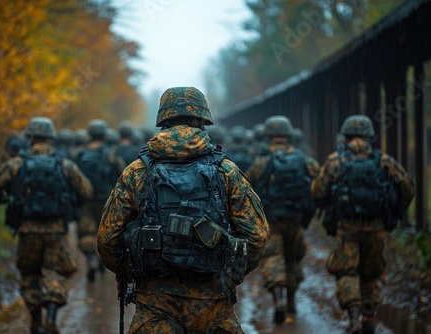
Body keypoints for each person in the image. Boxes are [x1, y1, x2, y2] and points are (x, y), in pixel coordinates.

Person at [97, 86, 270, 333]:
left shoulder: (137, 171)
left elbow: (107, 238)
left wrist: (130, 272)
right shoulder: (226, 170)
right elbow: (258, 236)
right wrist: (229, 274)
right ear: (202, 119)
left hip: (154, 300)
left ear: (163, 120)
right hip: (212, 301)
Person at [311, 115, 415, 334]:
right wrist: (396, 211)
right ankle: (369, 317)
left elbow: (317, 192)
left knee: (346, 271)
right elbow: (407, 186)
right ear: (369, 136)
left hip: (347, 227)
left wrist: (328, 204)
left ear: (346, 135)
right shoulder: (383, 160)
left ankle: (353, 316)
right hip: (376, 226)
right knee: (371, 274)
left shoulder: (336, 161)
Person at [0, 117, 93, 334]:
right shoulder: (64, 164)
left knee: (30, 275)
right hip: (56, 231)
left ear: (30, 137)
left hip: (26, 231)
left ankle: (35, 322)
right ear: (51, 138)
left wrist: (9, 199)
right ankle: (51, 317)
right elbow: (86, 190)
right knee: (57, 271)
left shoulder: (16, 163)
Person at [246, 115, 319, 324]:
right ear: (287, 134)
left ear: (268, 135)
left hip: (271, 220)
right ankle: (292, 301)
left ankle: (278, 301)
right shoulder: (303, 158)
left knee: (272, 258)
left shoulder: (262, 161)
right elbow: (320, 180)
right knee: (292, 259)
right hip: (295, 219)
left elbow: (246, 187)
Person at [74, 119, 125, 282]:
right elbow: (124, 175)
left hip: (86, 201)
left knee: (86, 233)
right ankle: (103, 260)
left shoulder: (80, 155)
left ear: (90, 135)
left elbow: (75, 179)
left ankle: (90, 258)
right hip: (106, 201)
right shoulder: (111, 155)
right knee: (105, 232)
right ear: (104, 134)